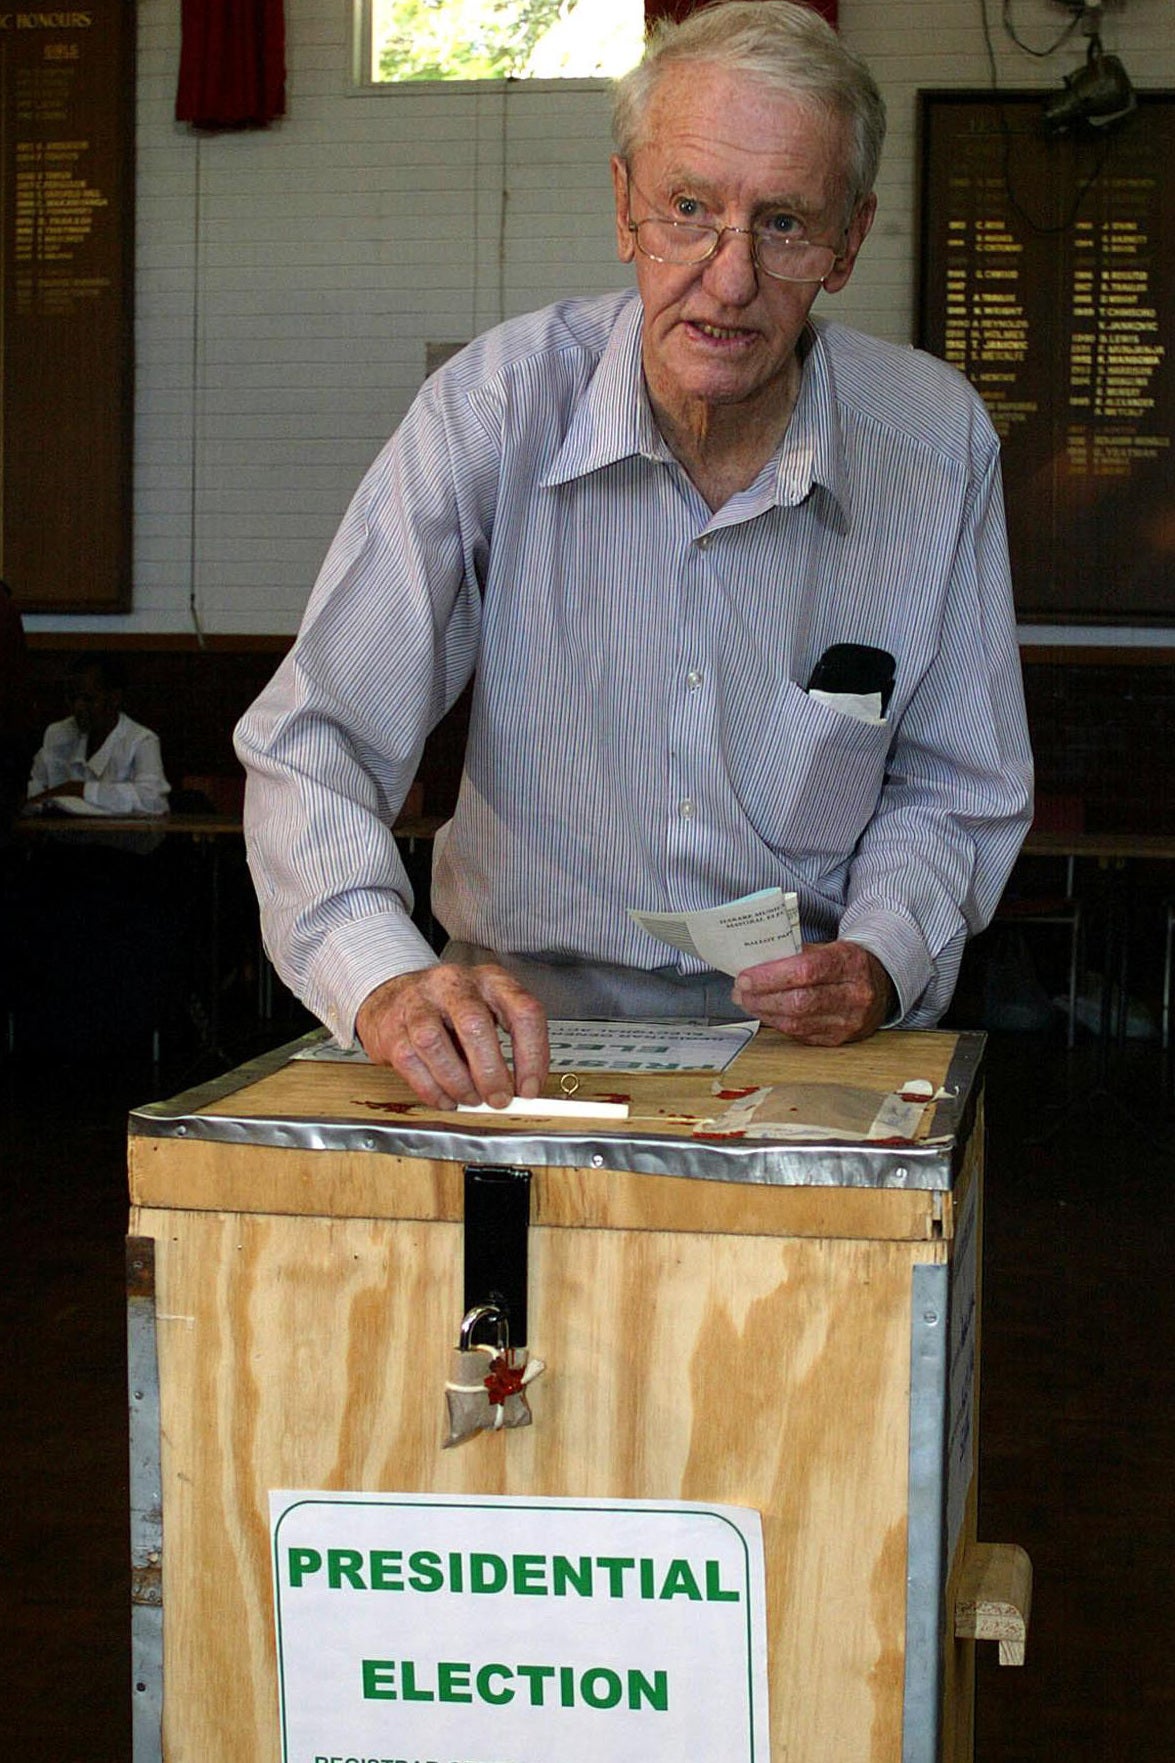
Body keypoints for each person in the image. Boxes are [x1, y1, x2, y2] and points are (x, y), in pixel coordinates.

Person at [236, 0, 1032, 1109]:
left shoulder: (932, 446)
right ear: (624, 209)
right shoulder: (492, 410)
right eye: (689, 209)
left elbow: (955, 784)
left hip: (805, 1060)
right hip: (514, 1046)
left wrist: (885, 955)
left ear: (848, 242)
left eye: (785, 224)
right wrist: (379, 979)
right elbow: (313, 743)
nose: (728, 274)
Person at [26, 654, 170, 818]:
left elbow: (154, 801)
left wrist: (80, 789)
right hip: (64, 841)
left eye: (88, 699)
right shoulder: (58, 733)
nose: (78, 707)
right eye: (73, 698)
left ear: (115, 698)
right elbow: (34, 791)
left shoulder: (141, 740)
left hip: (121, 841)